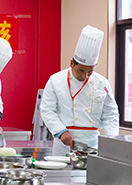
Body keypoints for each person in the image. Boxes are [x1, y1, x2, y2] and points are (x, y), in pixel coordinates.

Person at [40, 25, 119, 156]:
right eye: (81, 70)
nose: (85, 76)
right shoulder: (56, 80)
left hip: (93, 144)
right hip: (64, 143)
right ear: (71, 63)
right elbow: (47, 110)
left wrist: (112, 139)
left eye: (90, 71)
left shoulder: (102, 82)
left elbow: (110, 114)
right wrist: (61, 131)